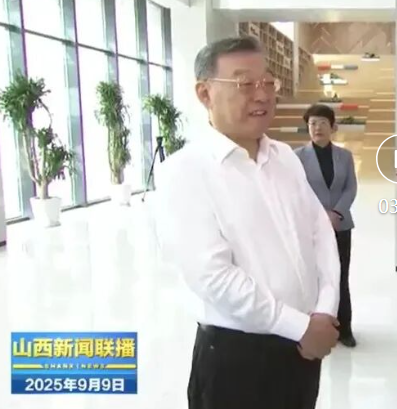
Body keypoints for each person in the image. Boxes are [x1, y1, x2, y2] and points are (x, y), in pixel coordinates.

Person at [153, 36, 341, 409]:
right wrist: (300, 326)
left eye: (268, 82)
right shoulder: (184, 171)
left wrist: (325, 310)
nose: (262, 94)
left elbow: (320, 232)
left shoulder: (285, 157)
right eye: (244, 83)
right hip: (237, 358)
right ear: (205, 93)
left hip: (304, 348)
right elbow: (213, 276)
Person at [294, 103, 359, 348]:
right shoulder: (297, 157)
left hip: (340, 225)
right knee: (312, 279)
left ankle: (345, 329)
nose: (317, 128)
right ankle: (312, 329)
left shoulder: (345, 156)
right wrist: (321, 217)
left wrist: (337, 213)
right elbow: (297, 191)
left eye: (322, 123)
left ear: (333, 127)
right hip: (310, 229)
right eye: (312, 123)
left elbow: (350, 188)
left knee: (340, 276)